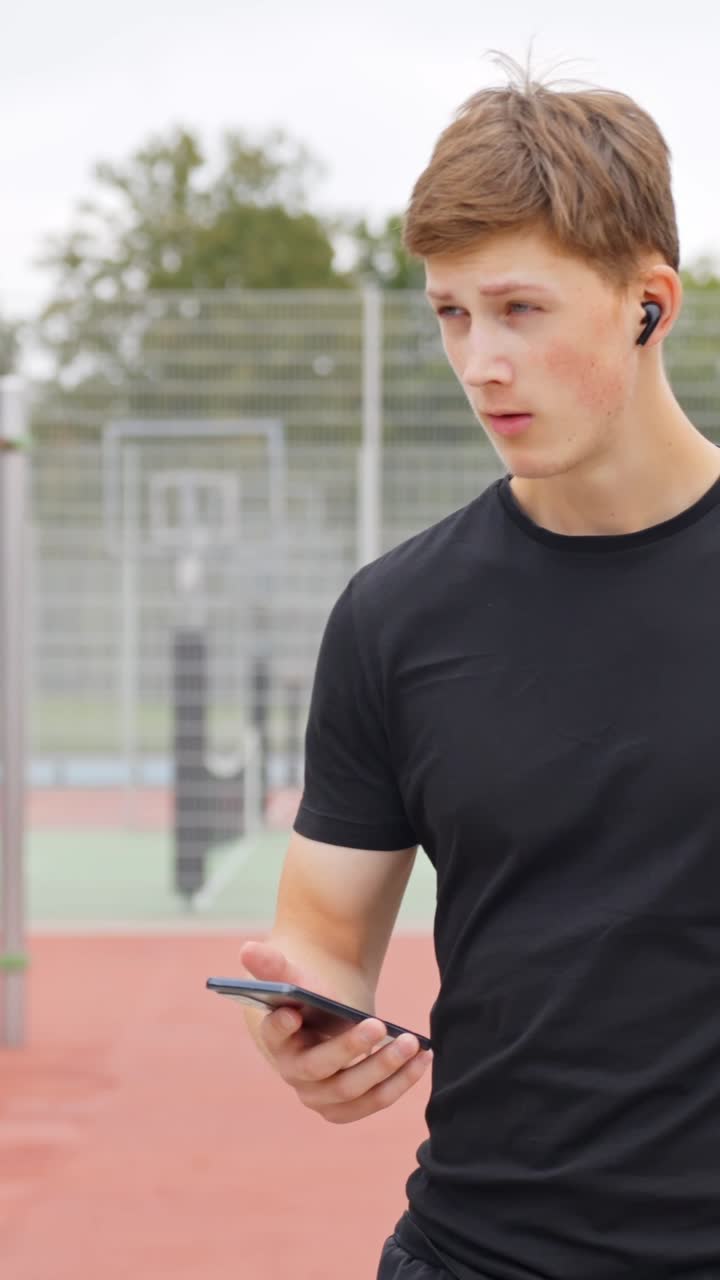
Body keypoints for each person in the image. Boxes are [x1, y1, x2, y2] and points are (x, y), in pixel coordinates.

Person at [241, 52, 720, 1280]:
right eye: (451, 313)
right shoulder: (396, 615)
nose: (477, 360)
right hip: (479, 1252)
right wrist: (309, 1027)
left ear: (648, 302)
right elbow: (325, 934)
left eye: (519, 310)